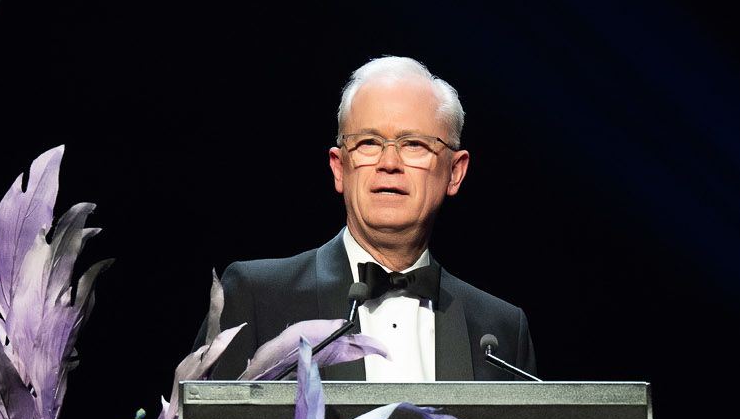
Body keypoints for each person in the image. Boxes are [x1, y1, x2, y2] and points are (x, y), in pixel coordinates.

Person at [201, 55, 535, 381]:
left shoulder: (501, 331)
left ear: (455, 173)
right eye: (369, 143)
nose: (390, 162)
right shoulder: (257, 297)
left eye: (414, 144)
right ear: (339, 168)